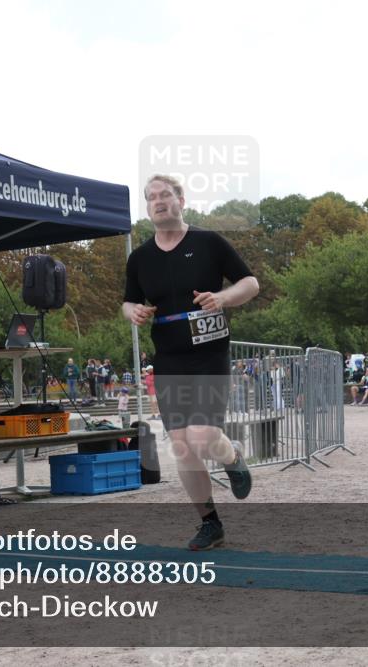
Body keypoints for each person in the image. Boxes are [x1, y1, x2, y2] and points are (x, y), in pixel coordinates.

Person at [122, 174, 260, 551]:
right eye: (151, 198)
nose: (158, 202)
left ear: (181, 200)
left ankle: (232, 459)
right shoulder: (140, 258)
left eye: (165, 195)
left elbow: (250, 283)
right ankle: (210, 523)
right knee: (182, 446)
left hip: (209, 351)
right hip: (168, 357)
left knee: (201, 436)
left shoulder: (209, 242)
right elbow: (128, 301)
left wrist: (224, 298)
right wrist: (133, 312)